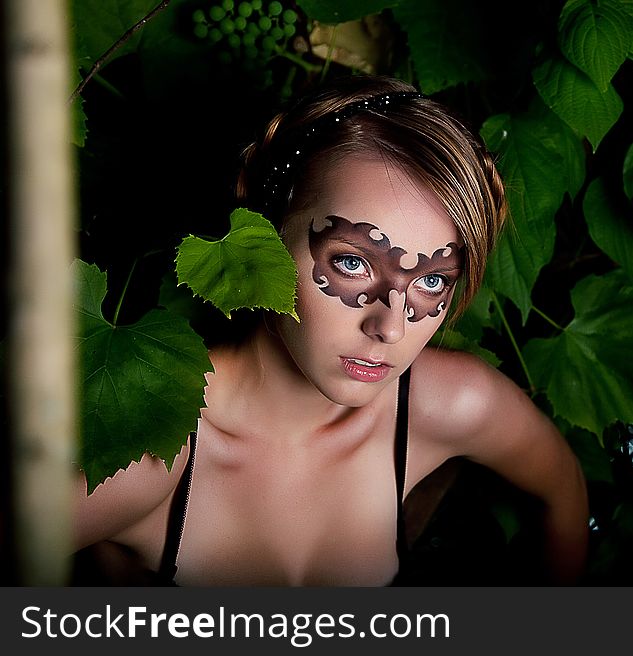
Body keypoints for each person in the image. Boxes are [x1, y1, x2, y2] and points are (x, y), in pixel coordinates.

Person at [72, 74, 589, 586]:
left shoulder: (445, 405)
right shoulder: (145, 461)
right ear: (265, 225)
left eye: (431, 280)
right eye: (351, 263)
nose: (388, 326)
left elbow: (565, 493)